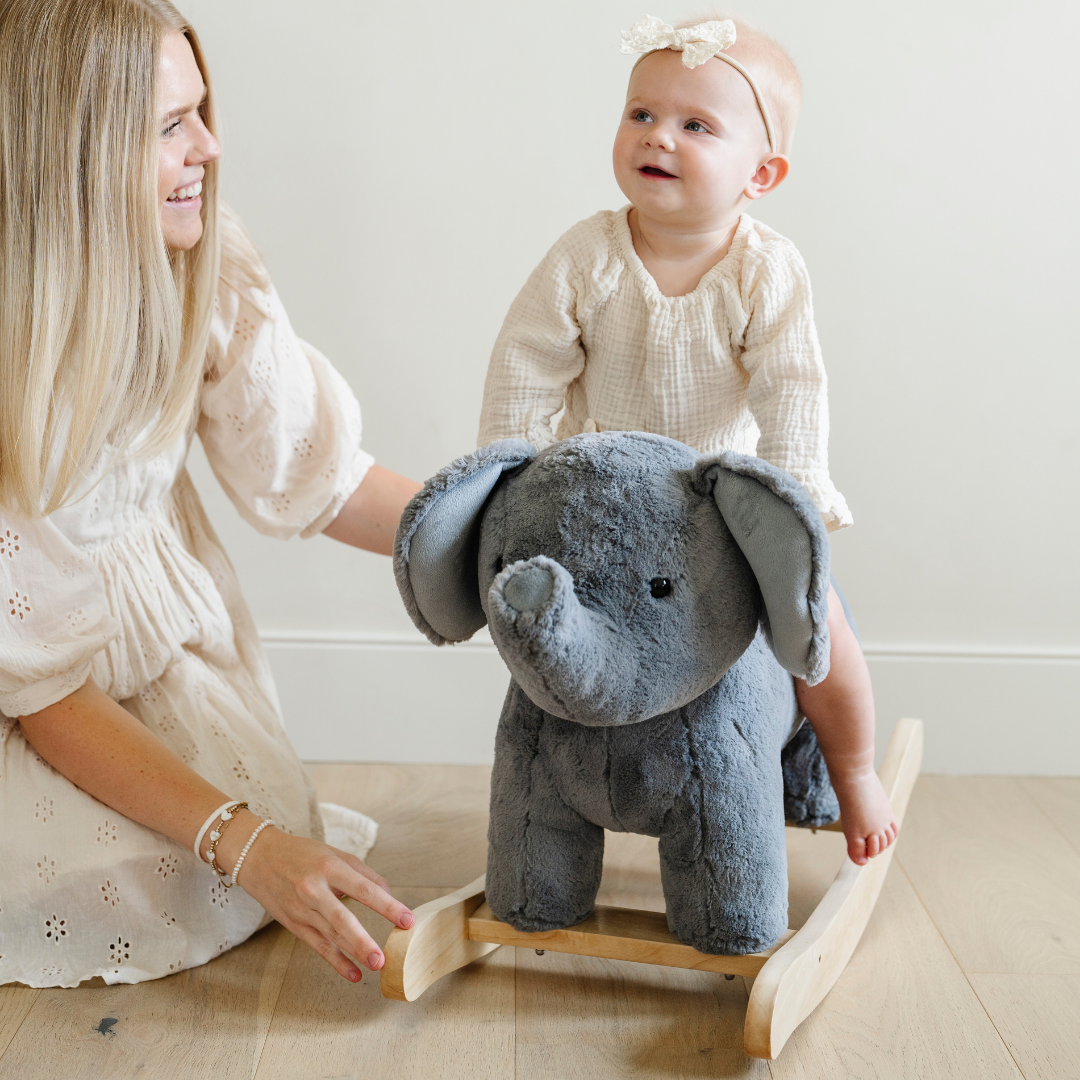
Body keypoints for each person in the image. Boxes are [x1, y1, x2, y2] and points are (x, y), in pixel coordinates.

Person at [0, 0, 418, 989]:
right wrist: (248, 845)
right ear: (77, 152)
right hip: (31, 687)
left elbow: (318, 474)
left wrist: (515, 537)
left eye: (202, 110)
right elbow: (42, 685)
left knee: (221, 856)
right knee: (120, 878)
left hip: (152, 663)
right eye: (170, 126)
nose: (212, 146)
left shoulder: (201, 264)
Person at [477, 13, 897, 866]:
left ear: (762, 173)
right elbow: (526, 362)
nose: (657, 136)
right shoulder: (587, 254)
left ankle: (851, 771)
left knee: (824, 636)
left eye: (696, 125)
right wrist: (509, 469)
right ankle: (561, 795)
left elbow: (794, 387)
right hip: (604, 502)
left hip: (724, 505)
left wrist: (796, 495)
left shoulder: (762, 269)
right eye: (641, 114)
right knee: (550, 631)